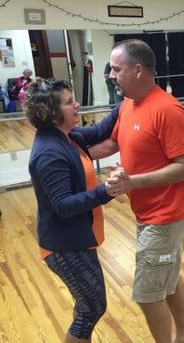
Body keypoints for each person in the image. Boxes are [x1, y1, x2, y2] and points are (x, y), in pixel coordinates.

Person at [99, 39, 184, 343]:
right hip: (147, 212)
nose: (112, 74)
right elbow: (114, 142)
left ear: (138, 69)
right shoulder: (129, 103)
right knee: (167, 280)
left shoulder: (168, 110)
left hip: (166, 217)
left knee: (146, 294)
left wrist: (133, 182)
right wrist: (71, 152)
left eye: (117, 69)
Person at [25, 78, 120, 342]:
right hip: (64, 246)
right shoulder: (49, 151)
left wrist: (126, 102)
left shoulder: (67, 136)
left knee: (88, 306)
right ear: (52, 113)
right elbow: (63, 205)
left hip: (76, 239)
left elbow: (101, 130)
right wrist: (107, 190)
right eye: (69, 103)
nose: (77, 105)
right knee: (91, 308)